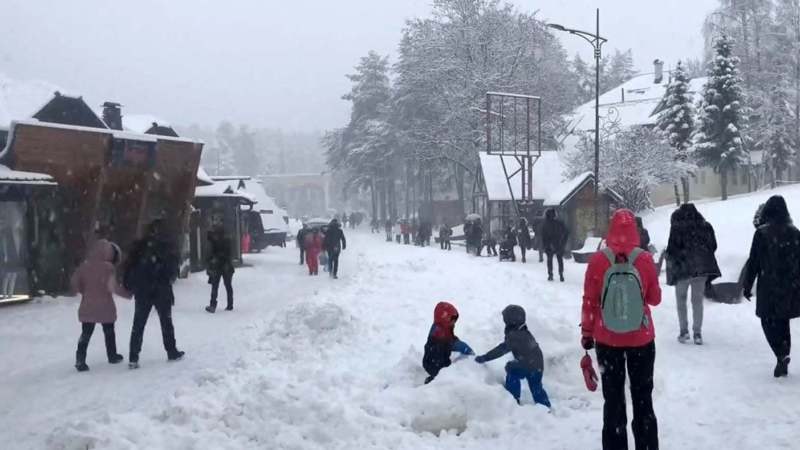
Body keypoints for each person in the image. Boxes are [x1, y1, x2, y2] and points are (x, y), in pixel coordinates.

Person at [581, 209, 661, 450]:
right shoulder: (644, 259)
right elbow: (655, 299)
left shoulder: (598, 260)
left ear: (611, 230)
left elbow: (589, 301)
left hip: (607, 340)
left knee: (613, 401)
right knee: (643, 398)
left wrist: (587, 334)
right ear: (634, 231)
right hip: (642, 341)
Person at [743, 195, 800, 378]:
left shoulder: (761, 233)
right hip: (789, 285)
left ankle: (780, 353)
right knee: (783, 321)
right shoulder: (795, 232)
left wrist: (747, 284)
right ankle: (783, 353)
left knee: (767, 320)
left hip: (769, 284)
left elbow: (754, 261)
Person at [123, 220, 184, 369]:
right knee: (166, 321)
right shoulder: (167, 246)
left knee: (138, 323)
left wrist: (131, 283)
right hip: (161, 289)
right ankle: (171, 350)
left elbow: (128, 266)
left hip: (143, 290)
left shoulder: (140, 246)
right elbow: (173, 270)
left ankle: (133, 356)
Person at [665, 203, 720, 345]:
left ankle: (684, 331)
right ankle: (697, 333)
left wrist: (678, 260)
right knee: (697, 301)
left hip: (683, 270)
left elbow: (671, 249)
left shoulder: (677, 227)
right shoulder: (705, 226)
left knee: (681, 301)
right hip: (700, 270)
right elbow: (713, 245)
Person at [475, 305, 551, 408]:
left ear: (509, 320)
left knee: (512, 370)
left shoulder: (515, 335)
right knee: (536, 387)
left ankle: (512, 399)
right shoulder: (522, 331)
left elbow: (501, 349)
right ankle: (545, 406)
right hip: (537, 365)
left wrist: (485, 357)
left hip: (528, 364)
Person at [71, 239, 129, 372]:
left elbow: (75, 283)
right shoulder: (108, 268)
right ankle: (112, 355)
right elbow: (112, 287)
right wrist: (127, 294)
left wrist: (85, 291)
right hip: (105, 305)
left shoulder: (84, 266)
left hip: (88, 305)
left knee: (85, 334)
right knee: (109, 331)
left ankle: (80, 360)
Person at [422, 301, 474, 384]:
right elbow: (446, 344)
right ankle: (433, 384)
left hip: (441, 358)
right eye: (452, 320)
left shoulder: (445, 327)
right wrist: (456, 345)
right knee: (443, 376)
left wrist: (460, 344)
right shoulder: (437, 333)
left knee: (445, 370)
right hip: (432, 363)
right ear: (444, 319)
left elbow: (450, 339)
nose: (454, 322)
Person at [205, 226, 234, 313]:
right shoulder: (225, 241)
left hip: (220, 267)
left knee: (216, 286)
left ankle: (213, 305)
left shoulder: (218, 242)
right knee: (227, 286)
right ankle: (229, 305)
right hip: (226, 267)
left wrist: (213, 259)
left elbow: (215, 254)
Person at [541, 209, 568, 281]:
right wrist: (563, 243)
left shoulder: (545, 224)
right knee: (560, 259)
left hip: (549, 245)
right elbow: (566, 233)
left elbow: (543, 236)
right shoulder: (560, 223)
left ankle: (550, 274)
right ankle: (561, 274)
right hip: (559, 244)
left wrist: (545, 245)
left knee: (549, 260)